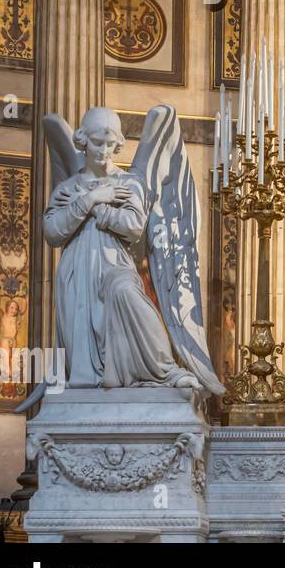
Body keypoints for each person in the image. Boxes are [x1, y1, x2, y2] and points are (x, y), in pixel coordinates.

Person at [43, 108, 198, 390]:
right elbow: (52, 232)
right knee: (83, 335)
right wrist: (90, 197)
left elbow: (134, 226)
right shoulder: (69, 186)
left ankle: (165, 370)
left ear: (118, 144)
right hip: (77, 271)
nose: (103, 150)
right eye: (97, 143)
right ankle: (95, 382)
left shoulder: (129, 182)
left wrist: (96, 206)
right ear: (82, 141)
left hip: (114, 263)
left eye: (109, 144)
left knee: (126, 292)